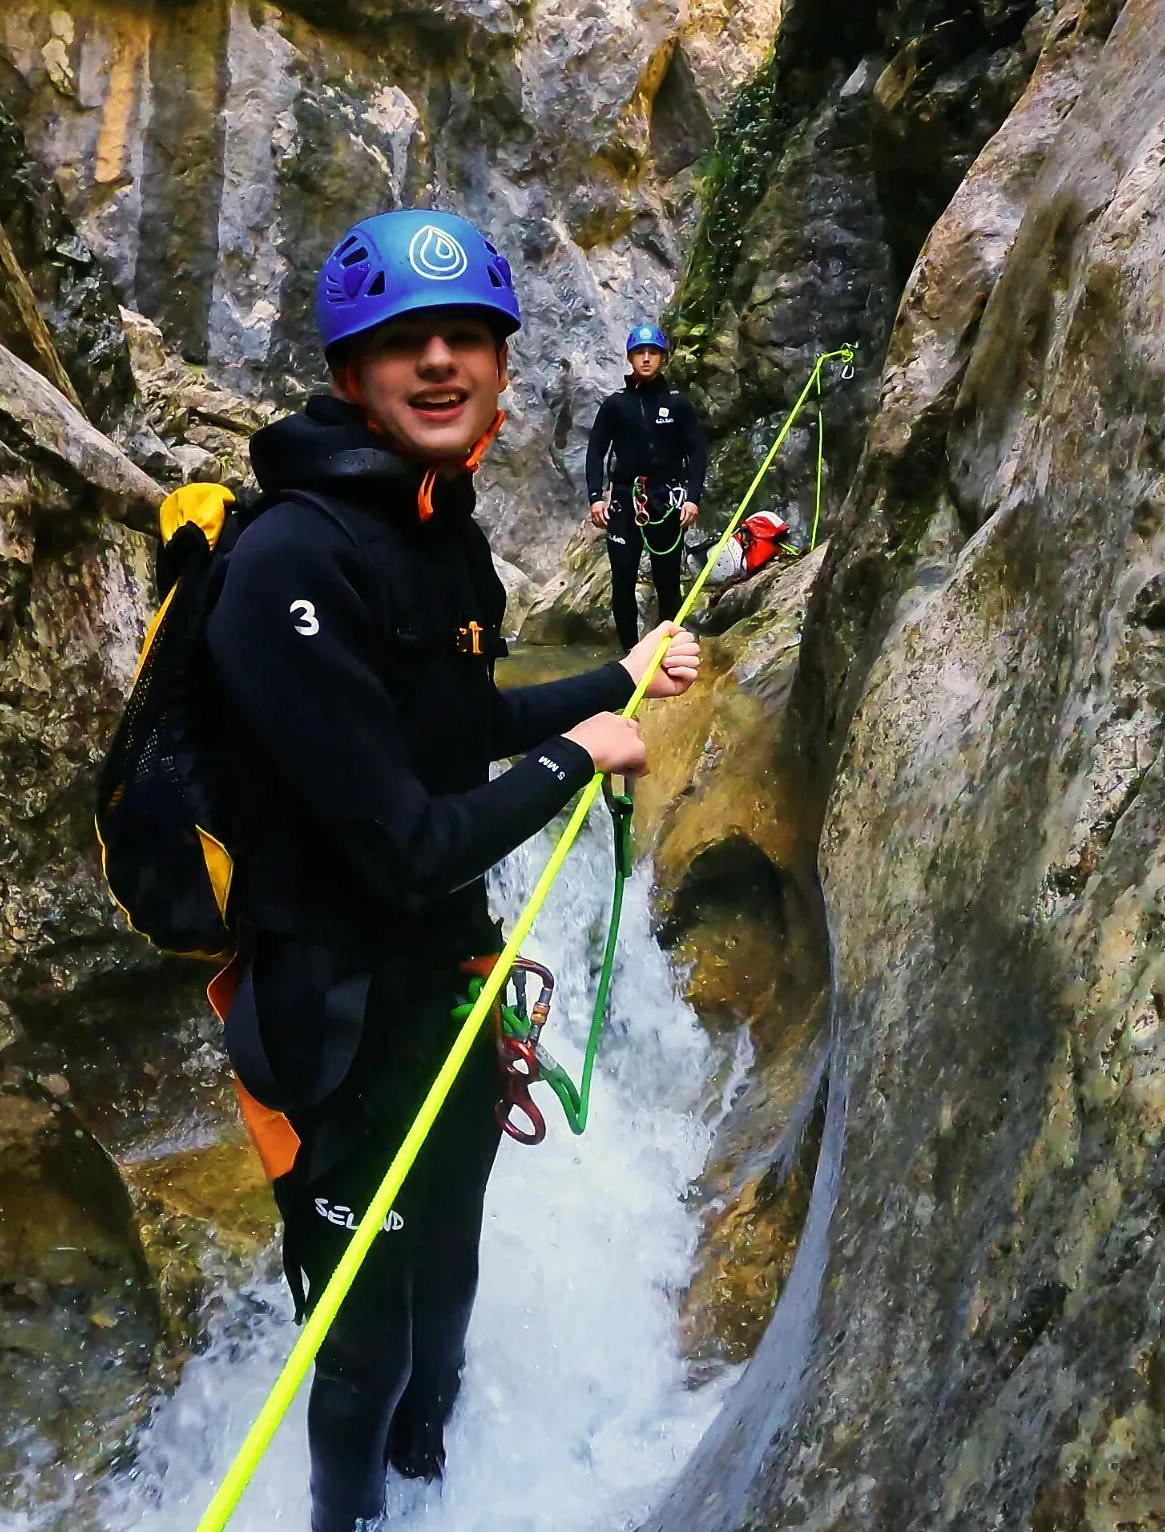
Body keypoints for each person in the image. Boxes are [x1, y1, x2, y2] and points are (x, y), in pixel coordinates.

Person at [206, 212, 700, 1532]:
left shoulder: (438, 531)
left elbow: (462, 724)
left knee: (448, 1273)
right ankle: (351, 1518)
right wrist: (581, 757)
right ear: (349, 373)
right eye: (403, 342)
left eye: (466, 337)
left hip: (443, 985)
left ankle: (435, 1486)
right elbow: (402, 841)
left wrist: (613, 680)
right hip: (331, 1020)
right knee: (360, 1342)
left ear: (500, 366)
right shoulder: (292, 559)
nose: (439, 361)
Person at [586, 323, 709, 653]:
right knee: (623, 577)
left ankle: (669, 652)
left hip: (666, 499)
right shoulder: (615, 405)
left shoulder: (678, 404)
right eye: (639, 353)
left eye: (652, 353)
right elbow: (596, 450)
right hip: (624, 500)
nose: (645, 358)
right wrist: (596, 497)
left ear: (662, 358)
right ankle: (629, 653)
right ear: (629, 358)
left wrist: (692, 499)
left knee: (667, 579)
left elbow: (697, 451)